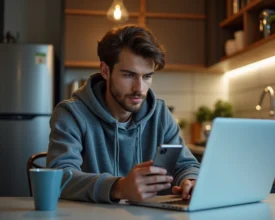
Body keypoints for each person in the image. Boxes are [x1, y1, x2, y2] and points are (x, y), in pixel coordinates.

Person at [46, 24, 200, 204]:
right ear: (105, 71)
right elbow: (60, 176)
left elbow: (187, 165)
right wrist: (119, 187)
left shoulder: (159, 114)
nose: (139, 89)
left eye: (147, 76)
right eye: (129, 75)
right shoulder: (71, 113)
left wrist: (191, 180)